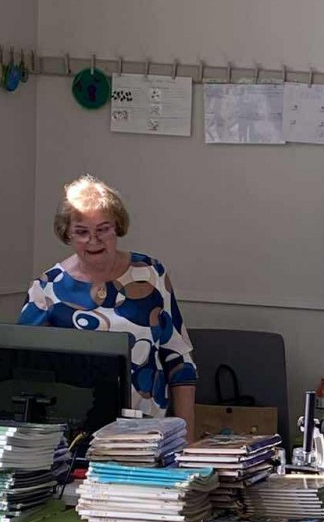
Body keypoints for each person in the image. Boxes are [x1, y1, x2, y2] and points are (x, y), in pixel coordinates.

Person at [19, 173, 197, 438]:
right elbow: (22, 372)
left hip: (148, 434)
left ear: (117, 227)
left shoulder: (150, 274)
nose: (94, 240)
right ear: (67, 234)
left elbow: (179, 359)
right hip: (73, 436)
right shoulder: (47, 288)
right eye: (82, 232)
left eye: (103, 229)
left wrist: (186, 438)